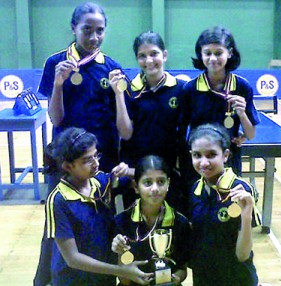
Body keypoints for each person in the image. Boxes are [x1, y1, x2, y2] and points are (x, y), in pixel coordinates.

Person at [34, 3, 122, 285]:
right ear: (74, 29)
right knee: (57, 224)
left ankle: (103, 277)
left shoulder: (111, 67)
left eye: (100, 31)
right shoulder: (55, 63)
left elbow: (120, 123)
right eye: (87, 30)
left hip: (100, 160)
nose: (94, 37)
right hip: (67, 161)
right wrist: (59, 84)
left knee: (99, 220)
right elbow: (55, 117)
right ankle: (49, 278)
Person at [40, 127, 152, 286]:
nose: (96, 163)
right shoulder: (58, 200)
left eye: (96, 155)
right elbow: (72, 258)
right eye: (87, 160)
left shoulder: (101, 181)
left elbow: (144, 176)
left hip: (104, 278)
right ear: (68, 166)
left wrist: (127, 171)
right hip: (73, 280)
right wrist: (121, 271)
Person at [109, 31, 187, 211]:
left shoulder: (181, 89)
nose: (149, 60)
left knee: (169, 222)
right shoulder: (128, 89)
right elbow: (126, 133)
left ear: (164, 55)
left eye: (154, 54)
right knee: (138, 223)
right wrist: (119, 94)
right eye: (142, 56)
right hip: (135, 170)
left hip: (169, 170)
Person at [180, 26, 260, 189]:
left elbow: (250, 134)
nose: (213, 58)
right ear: (200, 54)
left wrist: (242, 113)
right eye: (207, 53)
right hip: (198, 162)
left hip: (228, 160)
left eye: (218, 53)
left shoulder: (242, 87)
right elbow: (181, 131)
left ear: (229, 53)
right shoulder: (190, 89)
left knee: (227, 208)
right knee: (198, 206)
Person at [188, 123, 260, 286]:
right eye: (197, 155)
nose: (204, 162)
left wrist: (246, 215)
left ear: (226, 155)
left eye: (211, 155)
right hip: (203, 277)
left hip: (237, 278)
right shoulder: (195, 190)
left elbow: (243, 255)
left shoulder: (241, 190)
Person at [111, 155, 191, 285]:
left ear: (168, 184)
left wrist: (175, 279)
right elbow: (123, 280)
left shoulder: (181, 223)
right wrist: (120, 253)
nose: (155, 189)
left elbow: (182, 269)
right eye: (147, 182)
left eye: (161, 181)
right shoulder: (121, 221)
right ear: (136, 187)